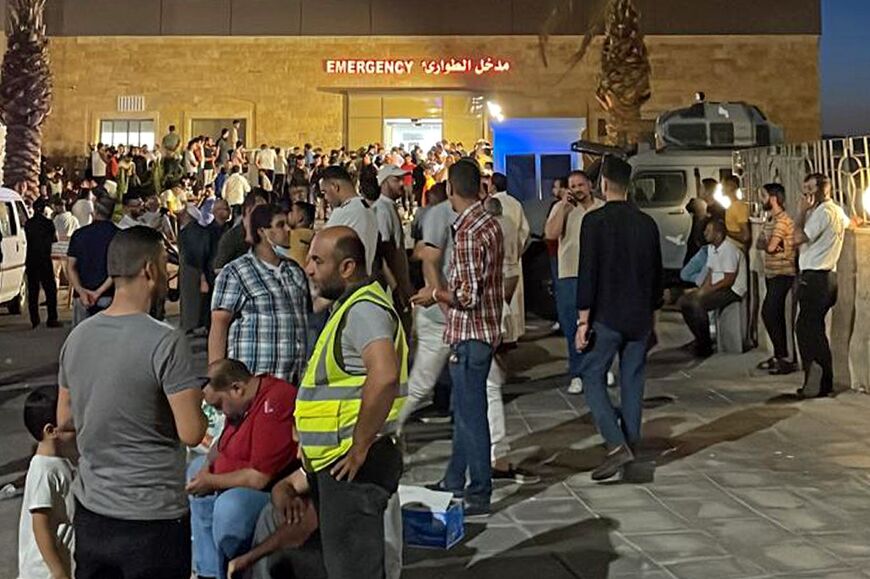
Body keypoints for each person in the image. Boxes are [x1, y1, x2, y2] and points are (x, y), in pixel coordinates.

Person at [56, 226, 208, 579]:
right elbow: (191, 431)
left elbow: (65, 417)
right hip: (152, 518)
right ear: (149, 270)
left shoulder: (78, 337)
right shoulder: (166, 343)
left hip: (93, 510)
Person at [288, 226, 405, 579]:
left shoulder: (363, 310)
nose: (308, 268)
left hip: (352, 466)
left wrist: (359, 445)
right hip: (339, 463)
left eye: (318, 261)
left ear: (348, 268)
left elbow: (384, 376)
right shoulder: (350, 307)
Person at [412, 159, 504, 515]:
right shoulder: (490, 222)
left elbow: (466, 295)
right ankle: (455, 477)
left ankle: (479, 489)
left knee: (470, 415)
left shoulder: (466, 231)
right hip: (486, 328)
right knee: (465, 410)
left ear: (450, 189)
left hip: (471, 332)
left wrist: (433, 294)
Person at [576, 156, 663, 481]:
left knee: (591, 375)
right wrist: (653, 318)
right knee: (633, 382)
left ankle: (615, 444)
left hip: (607, 316)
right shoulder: (647, 224)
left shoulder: (594, 222)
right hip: (640, 316)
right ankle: (631, 445)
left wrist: (583, 321)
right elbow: (657, 277)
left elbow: (588, 273)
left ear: (603, 184)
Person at [187, 359, 299, 579]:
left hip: (274, 490)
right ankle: (209, 573)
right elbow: (220, 446)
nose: (220, 413)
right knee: (195, 468)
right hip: (238, 476)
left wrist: (210, 481)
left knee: (230, 507)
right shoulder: (239, 408)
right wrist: (206, 470)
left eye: (219, 405)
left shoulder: (275, 399)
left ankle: (234, 570)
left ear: (237, 388)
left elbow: (259, 478)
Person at [210, 204, 310, 383]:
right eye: (280, 225)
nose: (288, 230)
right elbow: (219, 325)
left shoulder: (294, 271)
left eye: (288, 224)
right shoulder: (236, 272)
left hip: (293, 380)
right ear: (263, 231)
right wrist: (217, 379)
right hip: (255, 380)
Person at [544, 170, 604, 394]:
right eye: (573, 186)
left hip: (598, 274)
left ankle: (600, 368)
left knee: (598, 323)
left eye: (581, 185)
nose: (577, 189)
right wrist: (563, 207)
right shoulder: (562, 208)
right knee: (572, 325)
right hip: (570, 273)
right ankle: (577, 372)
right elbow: (550, 234)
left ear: (590, 185)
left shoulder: (601, 208)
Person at [793, 173, 851, 398]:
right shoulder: (836, 211)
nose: (806, 193)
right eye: (804, 188)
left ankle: (816, 381)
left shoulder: (821, 212)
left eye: (810, 188)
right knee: (814, 328)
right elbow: (849, 223)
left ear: (822, 190)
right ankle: (823, 382)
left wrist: (800, 213)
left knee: (806, 330)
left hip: (816, 278)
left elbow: (797, 238)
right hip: (828, 278)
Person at [18, 386, 75, 579]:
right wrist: (57, 570)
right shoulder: (44, 470)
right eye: (70, 420)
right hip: (43, 572)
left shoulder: (60, 462)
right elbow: (39, 523)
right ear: (51, 430)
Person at [678, 219, 747, 357]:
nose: (705, 233)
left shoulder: (728, 249)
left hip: (732, 290)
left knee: (698, 304)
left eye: (708, 231)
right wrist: (703, 289)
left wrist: (707, 291)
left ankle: (705, 346)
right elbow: (710, 272)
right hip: (719, 286)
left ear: (719, 234)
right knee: (684, 302)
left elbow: (729, 279)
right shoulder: (711, 248)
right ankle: (700, 339)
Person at [756, 183, 797, 375]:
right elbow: (761, 243)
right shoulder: (771, 219)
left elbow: (771, 246)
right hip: (772, 273)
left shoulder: (782, 221)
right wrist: (769, 244)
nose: (761, 200)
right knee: (773, 315)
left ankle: (784, 358)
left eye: (763, 196)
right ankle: (780, 356)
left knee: (770, 313)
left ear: (773, 199)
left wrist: (769, 244)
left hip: (783, 274)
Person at [66, 196, 118, 326]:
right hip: (110, 296)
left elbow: (70, 266)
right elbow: (117, 269)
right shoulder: (119, 236)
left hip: (82, 298)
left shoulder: (79, 235)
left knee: (82, 340)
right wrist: (98, 292)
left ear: (94, 212)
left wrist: (81, 290)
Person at [373, 164, 414, 328]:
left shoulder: (389, 207)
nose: (401, 184)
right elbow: (385, 252)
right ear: (384, 183)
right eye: (396, 180)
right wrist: (396, 288)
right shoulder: (382, 210)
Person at [322, 165, 378, 274]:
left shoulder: (345, 212)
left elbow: (321, 249)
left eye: (324, 192)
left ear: (335, 187)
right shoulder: (367, 208)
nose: (325, 197)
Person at [178, 204, 216, 334]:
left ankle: (190, 325)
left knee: (190, 300)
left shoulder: (187, 233)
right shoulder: (203, 232)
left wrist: (201, 275)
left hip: (191, 270)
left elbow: (196, 253)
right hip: (199, 269)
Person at [24, 199, 60, 329]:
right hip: (45, 259)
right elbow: (54, 239)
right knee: (50, 290)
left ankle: (34, 319)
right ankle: (52, 318)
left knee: (33, 291)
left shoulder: (29, 224)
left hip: (32, 260)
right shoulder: (48, 223)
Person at [214, 190, 268, 272]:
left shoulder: (265, 232)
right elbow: (218, 269)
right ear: (248, 210)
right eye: (260, 211)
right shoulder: (232, 237)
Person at [723, 175, 751, 249]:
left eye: (724, 185)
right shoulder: (731, 206)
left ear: (732, 186)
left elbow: (745, 236)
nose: (722, 188)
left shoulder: (738, 206)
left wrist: (726, 232)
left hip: (736, 248)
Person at [288, 200, 315, 267]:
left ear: (300, 218)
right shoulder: (312, 236)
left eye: (292, 211)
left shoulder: (293, 235)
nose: (289, 213)